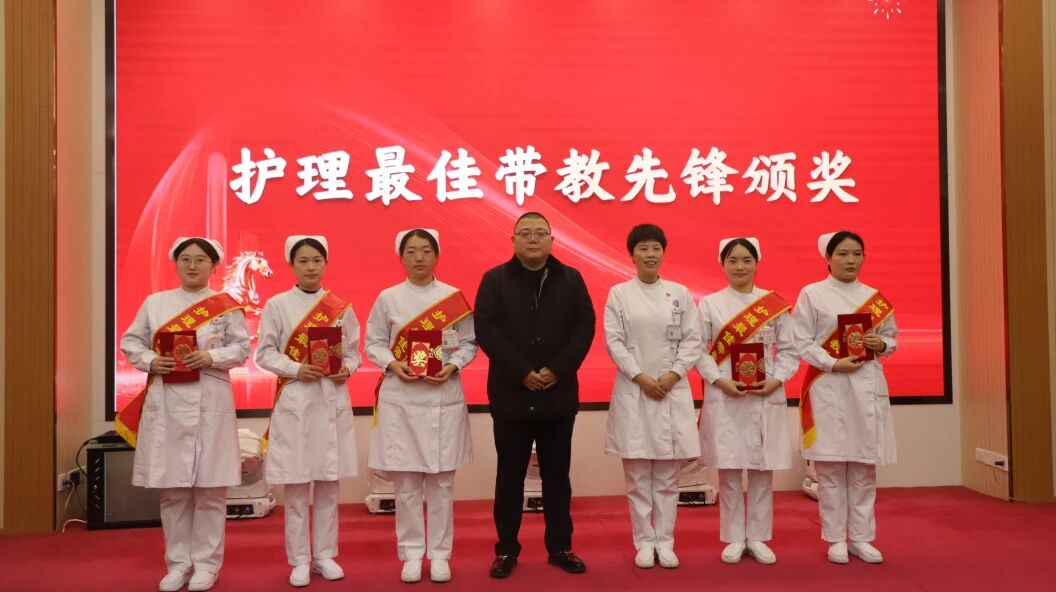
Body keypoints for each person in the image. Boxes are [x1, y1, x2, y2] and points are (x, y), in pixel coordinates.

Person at [118, 237, 249, 592]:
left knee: (210, 492)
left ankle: (207, 565)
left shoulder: (226, 306)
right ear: (175, 264)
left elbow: (242, 348)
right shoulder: (155, 303)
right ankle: (177, 564)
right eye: (185, 259)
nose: (192, 265)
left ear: (213, 266)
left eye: (200, 259)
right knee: (173, 491)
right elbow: (131, 341)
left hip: (210, 399)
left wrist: (211, 357)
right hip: (168, 403)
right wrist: (150, 361)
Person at [474, 212, 596, 578]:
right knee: (508, 477)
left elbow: (584, 328)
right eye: (525, 233)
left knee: (557, 477)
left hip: (558, 396)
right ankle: (506, 550)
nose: (532, 239)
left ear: (552, 241)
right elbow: (486, 329)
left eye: (540, 233)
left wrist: (556, 370)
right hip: (511, 395)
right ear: (513, 240)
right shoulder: (495, 279)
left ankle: (560, 547)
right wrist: (522, 372)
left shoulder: (571, 279)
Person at [365, 228, 477, 583]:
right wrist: (392, 363)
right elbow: (373, 342)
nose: (419, 257)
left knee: (442, 484)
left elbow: (469, 343)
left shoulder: (452, 299)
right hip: (402, 397)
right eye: (411, 251)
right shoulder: (388, 298)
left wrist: (452, 366)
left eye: (426, 250)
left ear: (436, 256)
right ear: (401, 257)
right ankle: (412, 554)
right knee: (407, 485)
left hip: (442, 395)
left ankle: (440, 555)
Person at [255, 235, 361, 587]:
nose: (311, 267)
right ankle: (299, 560)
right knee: (297, 486)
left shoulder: (341, 307)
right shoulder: (277, 305)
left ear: (325, 263)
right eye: (303, 260)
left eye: (317, 260)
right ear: (291, 265)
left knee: (328, 483)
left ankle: (325, 555)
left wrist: (348, 368)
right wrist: (295, 368)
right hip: (296, 399)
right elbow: (264, 353)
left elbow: (354, 352)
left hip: (331, 399)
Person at [791, 230, 898, 564]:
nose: (851, 260)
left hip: (865, 387)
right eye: (843, 254)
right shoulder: (812, 294)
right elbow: (801, 341)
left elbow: (892, 337)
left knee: (864, 469)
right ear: (828, 258)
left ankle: (862, 538)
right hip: (829, 385)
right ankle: (836, 538)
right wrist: (832, 362)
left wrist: (882, 344)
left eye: (857, 254)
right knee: (831, 470)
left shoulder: (874, 298)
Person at [603, 224, 703, 569]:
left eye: (656, 248)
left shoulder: (680, 293)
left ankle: (666, 541)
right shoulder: (619, 294)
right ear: (632, 254)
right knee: (637, 478)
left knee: (667, 477)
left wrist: (673, 374)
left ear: (663, 252)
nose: (650, 254)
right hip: (635, 389)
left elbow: (693, 339)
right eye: (643, 248)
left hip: (671, 389)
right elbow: (614, 340)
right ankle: (644, 542)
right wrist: (640, 377)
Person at [695, 237, 797, 565]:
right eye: (733, 260)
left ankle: (758, 536)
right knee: (729, 470)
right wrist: (718, 379)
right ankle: (734, 537)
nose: (740, 266)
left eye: (746, 260)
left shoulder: (773, 304)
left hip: (764, 394)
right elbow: (697, 349)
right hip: (726, 394)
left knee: (761, 470)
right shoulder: (709, 304)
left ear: (757, 263)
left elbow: (790, 349)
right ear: (722, 264)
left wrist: (776, 379)